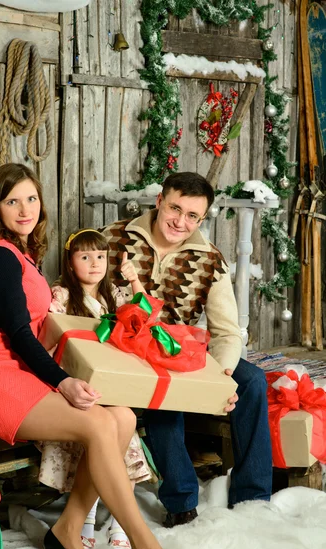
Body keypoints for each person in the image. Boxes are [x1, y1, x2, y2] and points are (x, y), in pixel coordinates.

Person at [0, 163, 173, 549]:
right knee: (96, 423)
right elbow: (17, 332)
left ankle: (68, 530)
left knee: (121, 416)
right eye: (11, 200)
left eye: (31, 198)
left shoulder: (21, 253)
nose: (24, 209)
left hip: (16, 367)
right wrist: (62, 380)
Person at [102, 171, 273, 527]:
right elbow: (79, 290)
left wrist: (223, 376)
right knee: (166, 394)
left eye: (192, 215)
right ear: (160, 199)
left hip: (182, 350)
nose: (181, 221)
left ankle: (253, 497)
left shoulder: (210, 259)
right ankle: (181, 502)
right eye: (175, 209)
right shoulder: (114, 238)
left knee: (253, 380)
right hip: (126, 351)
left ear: (203, 217)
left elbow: (227, 332)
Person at [37, 228, 154, 549]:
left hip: (110, 386)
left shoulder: (113, 297)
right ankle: (86, 517)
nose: (94, 264)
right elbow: (51, 336)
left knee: (123, 419)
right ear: (70, 262)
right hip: (75, 386)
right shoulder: (60, 296)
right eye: (84, 256)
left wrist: (134, 282)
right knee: (111, 424)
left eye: (100, 257)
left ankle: (118, 518)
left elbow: (144, 320)